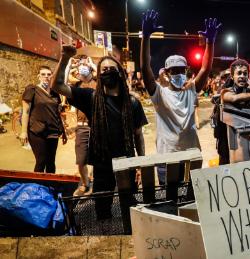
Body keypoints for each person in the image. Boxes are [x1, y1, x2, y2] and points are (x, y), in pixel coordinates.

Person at [51, 45, 148, 219]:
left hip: (127, 163)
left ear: (120, 72)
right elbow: (57, 86)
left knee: (130, 209)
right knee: (102, 209)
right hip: (102, 163)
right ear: (98, 74)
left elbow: (138, 135)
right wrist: (65, 58)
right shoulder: (91, 97)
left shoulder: (132, 102)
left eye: (112, 69)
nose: (108, 72)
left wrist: (140, 164)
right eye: (104, 69)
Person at [140, 10, 221, 183]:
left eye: (181, 70)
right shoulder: (159, 94)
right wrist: (145, 37)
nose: (178, 74)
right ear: (167, 73)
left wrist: (210, 42)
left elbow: (205, 68)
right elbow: (145, 67)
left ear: (186, 71)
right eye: (174, 71)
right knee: (169, 201)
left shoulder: (191, 90)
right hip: (166, 158)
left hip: (191, 157)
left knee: (190, 200)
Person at [19, 66, 67, 173]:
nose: (46, 77)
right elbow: (25, 112)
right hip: (37, 131)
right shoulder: (32, 90)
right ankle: (36, 187)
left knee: (51, 162)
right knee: (41, 160)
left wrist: (63, 132)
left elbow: (57, 113)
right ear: (39, 76)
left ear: (51, 76)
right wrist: (23, 132)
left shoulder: (54, 93)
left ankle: (50, 186)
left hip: (53, 131)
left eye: (49, 74)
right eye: (43, 74)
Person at [64, 55, 97, 196]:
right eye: (81, 64)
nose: (83, 66)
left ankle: (95, 181)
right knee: (81, 160)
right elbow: (61, 83)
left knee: (98, 157)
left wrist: (93, 64)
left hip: (97, 126)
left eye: (85, 63)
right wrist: (69, 65)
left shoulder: (98, 82)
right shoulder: (76, 85)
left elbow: (102, 74)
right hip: (82, 127)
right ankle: (85, 183)